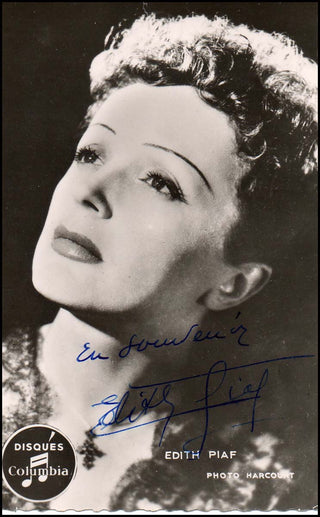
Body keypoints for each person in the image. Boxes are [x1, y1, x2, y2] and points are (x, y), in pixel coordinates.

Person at [3, 11, 317, 512]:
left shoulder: (271, 477)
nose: (91, 192)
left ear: (235, 283)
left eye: (159, 182)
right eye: (91, 154)